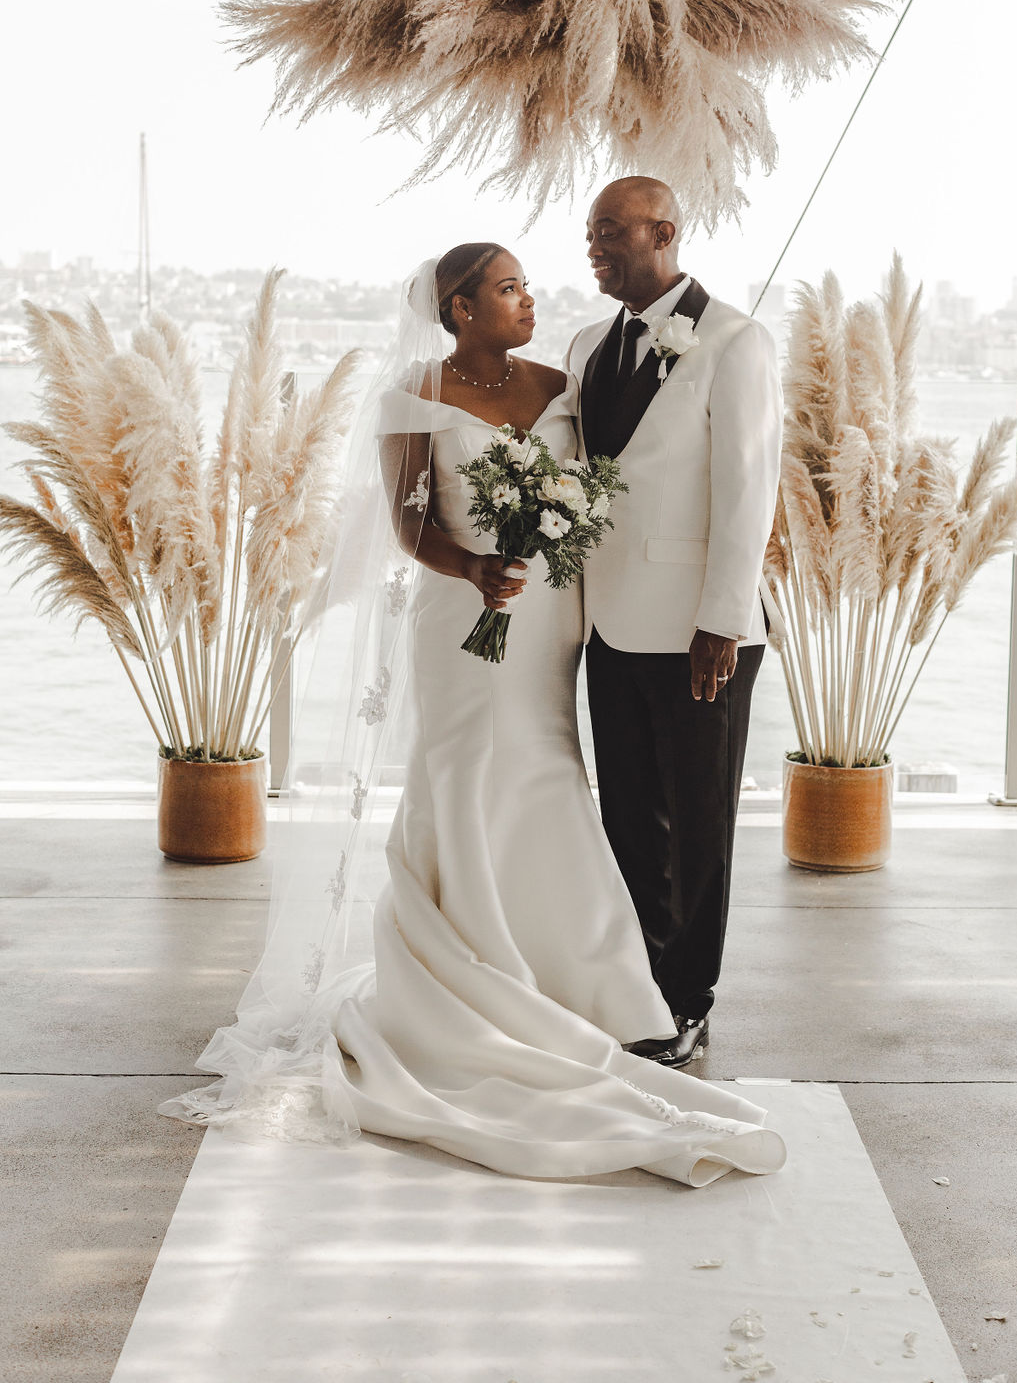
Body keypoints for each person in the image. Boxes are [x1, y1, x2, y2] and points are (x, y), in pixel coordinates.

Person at [164, 241, 785, 1188]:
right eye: (507, 289)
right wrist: (472, 568)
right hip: (466, 615)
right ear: (458, 310)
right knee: (462, 768)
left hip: (552, 623)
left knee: (547, 768)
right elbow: (411, 522)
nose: (528, 300)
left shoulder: (563, 378)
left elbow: (628, 482)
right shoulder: (412, 394)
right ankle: (469, 963)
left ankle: (589, 977)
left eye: (529, 286)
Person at [566, 178, 784, 1070]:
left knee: (699, 826)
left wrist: (722, 620)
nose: (597, 246)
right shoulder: (588, 343)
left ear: (665, 233)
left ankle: (690, 1002)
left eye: (613, 232)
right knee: (628, 818)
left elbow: (748, 489)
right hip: (608, 626)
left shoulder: (734, 340)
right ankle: (640, 985)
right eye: (591, 233)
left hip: (703, 634)